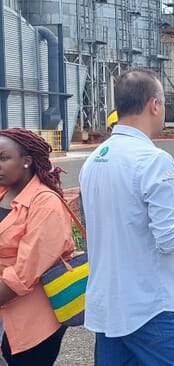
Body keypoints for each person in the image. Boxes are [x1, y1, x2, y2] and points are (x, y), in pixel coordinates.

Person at [79, 69, 174, 365]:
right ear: (154, 104)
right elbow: (170, 237)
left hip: (108, 305)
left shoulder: (96, 159)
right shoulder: (153, 159)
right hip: (150, 307)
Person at [0, 128, 75, 365]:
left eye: (3, 158)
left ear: (27, 161)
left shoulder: (46, 204)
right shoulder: (3, 193)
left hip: (32, 321)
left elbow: (24, 274)